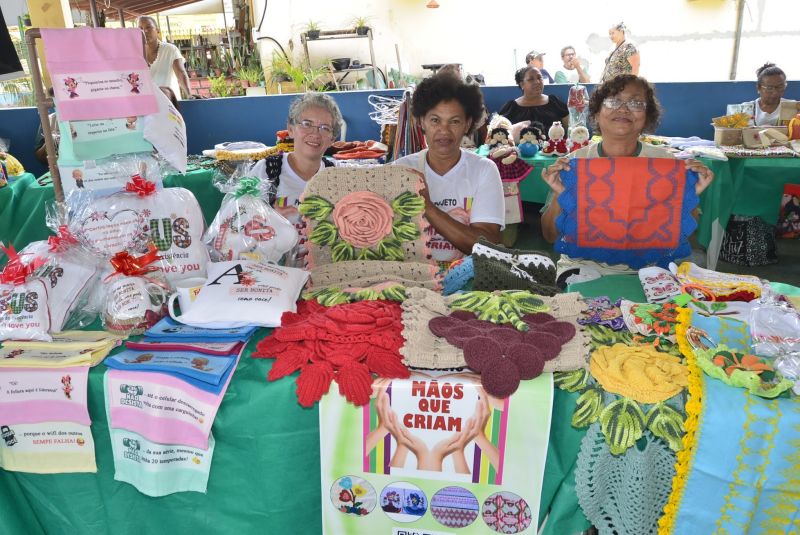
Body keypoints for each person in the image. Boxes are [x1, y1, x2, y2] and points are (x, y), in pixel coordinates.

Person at [540, 74, 714, 286]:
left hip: (650, 268)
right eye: (613, 101)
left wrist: (688, 196)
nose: (623, 109)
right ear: (596, 112)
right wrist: (561, 194)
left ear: (647, 116)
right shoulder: (574, 164)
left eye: (636, 103)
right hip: (583, 267)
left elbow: (684, 237)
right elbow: (550, 235)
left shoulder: (666, 164)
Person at [394, 72, 504, 267]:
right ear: (421, 122)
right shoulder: (401, 170)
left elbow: (487, 246)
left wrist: (426, 206)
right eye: (435, 120)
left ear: (467, 124)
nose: (444, 131)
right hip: (412, 274)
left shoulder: (483, 170)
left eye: (454, 121)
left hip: (467, 275)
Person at [254, 92, 342, 226]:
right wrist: (267, 217)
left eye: (325, 128)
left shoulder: (337, 174)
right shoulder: (267, 170)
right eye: (307, 124)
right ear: (290, 129)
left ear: (332, 139)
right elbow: (236, 217)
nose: (315, 133)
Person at [498, 66, 569, 137]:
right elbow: (499, 132)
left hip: (554, 143)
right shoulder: (511, 107)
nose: (537, 82)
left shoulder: (554, 102)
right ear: (522, 84)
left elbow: (568, 129)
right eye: (531, 79)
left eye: (539, 77)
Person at [138, 16, 193, 100]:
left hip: (170, 103)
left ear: (157, 30)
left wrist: (189, 94)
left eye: (148, 27)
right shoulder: (135, 54)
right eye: (140, 29)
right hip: (146, 104)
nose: (144, 31)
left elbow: (181, 73)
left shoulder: (170, 49)